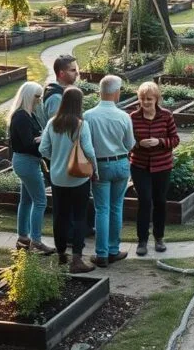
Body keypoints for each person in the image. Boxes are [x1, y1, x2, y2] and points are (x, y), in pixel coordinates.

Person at [39, 87, 98, 273]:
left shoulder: (52, 123)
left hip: (57, 178)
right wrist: (94, 169)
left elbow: (43, 149)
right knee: (79, 217)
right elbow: (88, 150)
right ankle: (77, 259)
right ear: (79, 103)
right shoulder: (81, 124)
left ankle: (61, 255)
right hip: (78, 178)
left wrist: (55, 159)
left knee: (60, 216)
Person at [84, 75, 136, 267]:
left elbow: (85, 144)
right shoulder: (123, 116)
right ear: (116, 92)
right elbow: (130, 144)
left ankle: (102, 254)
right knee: (116, 207)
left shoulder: (89, 115)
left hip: (100, 165)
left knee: (102, 209)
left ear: (100, 92)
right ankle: (113, 250)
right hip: (121, 164)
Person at [129, 81, 180, 256]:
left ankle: (159, 238)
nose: (146, 102)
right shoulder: (133, 117)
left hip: (162, 166)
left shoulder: (166, 116)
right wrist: (138, 144)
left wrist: (160, 141)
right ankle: (142, 241)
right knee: (144, 202)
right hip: (140, 166)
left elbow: (175, 140)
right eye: (143, 99)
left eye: (149, 99)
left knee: (160, 201)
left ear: (156, 99)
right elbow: (126, 143)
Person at [7, 81, 55, 254]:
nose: (39, 100)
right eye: (37, 97)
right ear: (28, 96)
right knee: (40, 201)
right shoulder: (21, 117)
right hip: (26, 161)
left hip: (26, 161)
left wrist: (39, 138)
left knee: (26, 200)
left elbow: (33, 138)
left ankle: (23, 238)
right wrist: (42, 139)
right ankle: (36, 241)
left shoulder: (29, 115)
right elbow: (28, 143)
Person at [39, 54, 79, 126]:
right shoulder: (56, 98)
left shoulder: (60, 91)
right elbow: (57, 128)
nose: (77, 73)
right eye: (73, 70)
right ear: (61, 74)